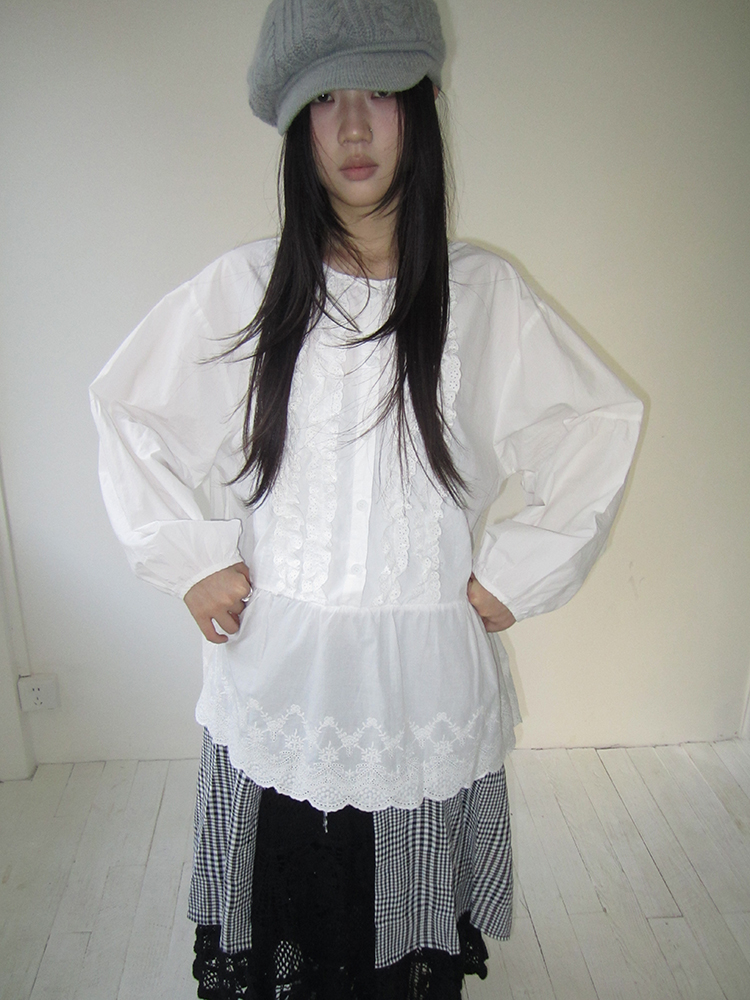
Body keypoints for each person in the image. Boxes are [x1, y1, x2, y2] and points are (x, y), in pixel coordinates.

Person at [90, 1, 643, 996]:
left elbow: (596, 422)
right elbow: (130, 410)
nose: (353, 126)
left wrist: (519, 570)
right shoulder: (247, 291)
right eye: (324, 100)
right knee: (289, 926)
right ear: (294, 124)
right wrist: (189, 557)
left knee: (400, 949)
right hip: (281, 691)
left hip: (419, 698)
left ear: (420, 107)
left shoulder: (482, 297)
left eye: (380, 93)